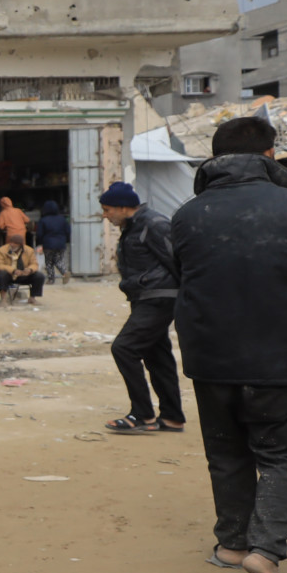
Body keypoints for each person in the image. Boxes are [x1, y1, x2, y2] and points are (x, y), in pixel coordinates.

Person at [172, 115, 287, 573]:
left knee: (227, 453)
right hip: (285, 360)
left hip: (210, 358)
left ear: (214, 160)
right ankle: (265, 552)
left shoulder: (187, 214)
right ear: (270, 155)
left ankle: (231, 545)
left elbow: (186, 274)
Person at [100, 181, 185, 434]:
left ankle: (142, 414)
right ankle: (172, 418)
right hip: (144, 297)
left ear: (123, 207)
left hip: (159, 297)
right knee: (157, 356)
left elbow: (177, 260)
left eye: (107, 210)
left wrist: (187, 295)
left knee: (124, 348)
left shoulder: (154, 224)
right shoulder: (133, 227)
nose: (105, 216)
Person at [0, 232, 46, 304]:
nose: (12, 245)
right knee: (2, 274)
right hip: (9, 275)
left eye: (15, 244)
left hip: (23, 274)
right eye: (11, 243)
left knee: (39, 276)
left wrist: (29, 269)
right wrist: (13, 270)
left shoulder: (29, 250)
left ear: (20, 245)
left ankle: (32, 298)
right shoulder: (2, 250)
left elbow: (34, 264)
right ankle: (3, 298)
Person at [38, 200, 72, 283]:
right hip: (61, 244)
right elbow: (68, 231)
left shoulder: (43, 220)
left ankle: (51, 279)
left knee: (49, 262)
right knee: (58, 260)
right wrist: (65, 240)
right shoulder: (62, 219)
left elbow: (40, 234)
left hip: (48, 244)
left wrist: (40, 243)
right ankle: (64, 272)